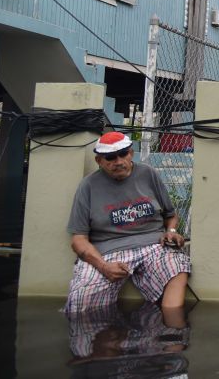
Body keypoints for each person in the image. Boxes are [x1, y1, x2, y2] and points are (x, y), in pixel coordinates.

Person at [64, 132, 191, 313]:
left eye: (123, 154)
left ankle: (171, 329)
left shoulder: (148, 174)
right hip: (107, 253)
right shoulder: (88, 186)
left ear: (131, 153)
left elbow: (171, 215)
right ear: (99, 160)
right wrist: (103, 266)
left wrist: (171, 230)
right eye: (110, 157)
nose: (118, 161)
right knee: (80, 302)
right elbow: (78, 239)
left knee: (177, 266)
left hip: (152, 246)